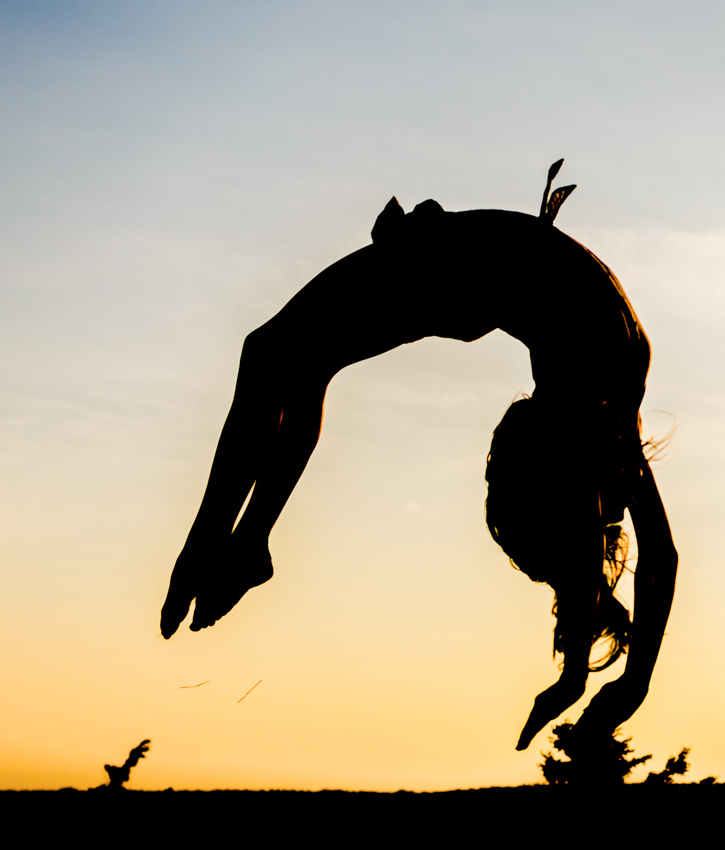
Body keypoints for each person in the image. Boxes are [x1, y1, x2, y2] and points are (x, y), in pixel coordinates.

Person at [160, 171, 678, 752]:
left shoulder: (604, 418)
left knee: (281, 355)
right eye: (497, 474)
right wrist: (604, 681)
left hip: (464, 272)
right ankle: (241, 541)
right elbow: (635, 551)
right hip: (467, 268)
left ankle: (232, 541)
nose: (492, 458)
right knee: (288, 357)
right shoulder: (596, 422)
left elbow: (638, 552)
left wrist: (598, 679)